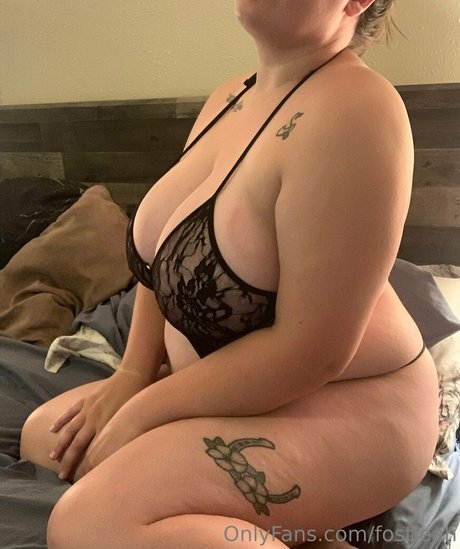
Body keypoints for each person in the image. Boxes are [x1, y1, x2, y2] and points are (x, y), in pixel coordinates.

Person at [20, 1, 440, 548]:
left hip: (353, 400)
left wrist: (144, 412)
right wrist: (133, 374)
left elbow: (310, 353)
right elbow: (161, 259)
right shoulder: (229, 98)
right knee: (44, 439)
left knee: (86, 524)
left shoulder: (360, 111)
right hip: (237, 386)